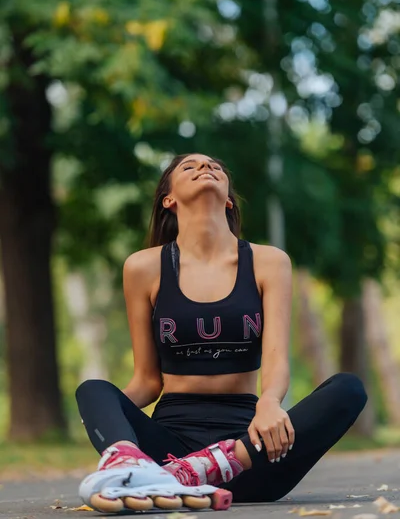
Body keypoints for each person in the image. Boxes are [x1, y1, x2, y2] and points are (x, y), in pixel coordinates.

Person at [76, 153, 367, 513]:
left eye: (215, 167)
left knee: (348, 389)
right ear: (168, 199)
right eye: (190, 167)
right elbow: (148, 381)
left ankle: (188, 474)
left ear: (228, 197)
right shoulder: (143, 267)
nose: (206, 168)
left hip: (250, 455)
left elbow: (276, 359)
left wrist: (270, 403)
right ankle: (132, 467)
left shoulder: (268, 261)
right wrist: (104, 414)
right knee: (92, 390)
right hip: (168, 445)